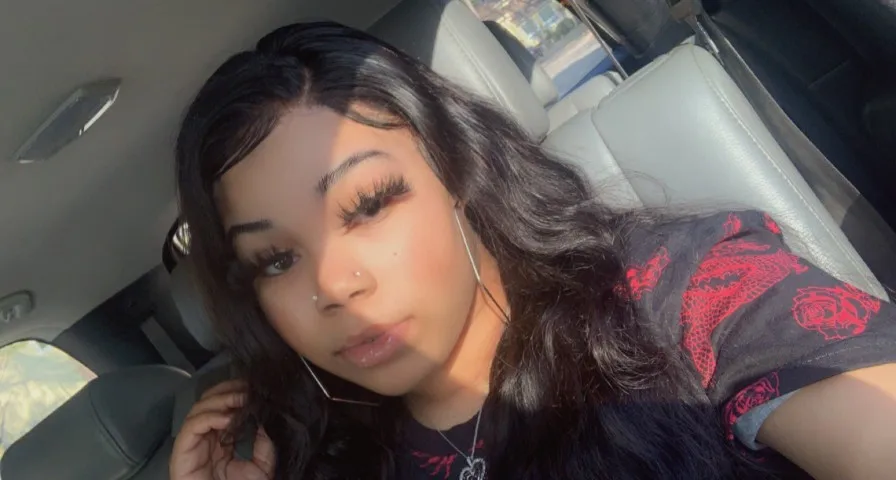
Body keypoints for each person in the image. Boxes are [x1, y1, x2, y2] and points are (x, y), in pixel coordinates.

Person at [169, 21, 896, 480]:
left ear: (457, 173)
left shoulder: (682, 292)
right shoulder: (323, 455)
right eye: (275, 260)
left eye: (367, 205)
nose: (334, 284)